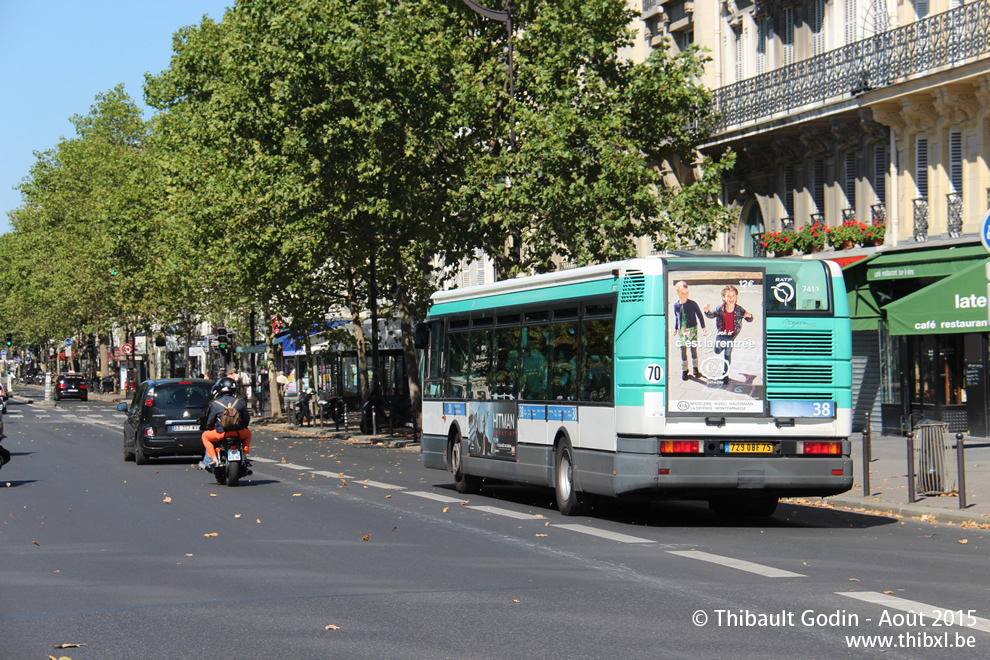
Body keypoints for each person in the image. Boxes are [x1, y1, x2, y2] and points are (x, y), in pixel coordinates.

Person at [198, 376, 252, 471]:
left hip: (221, 434)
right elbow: (246, 419)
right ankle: (245, 455)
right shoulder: (239, 402)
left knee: (205, 436)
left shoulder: (215, 403)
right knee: (248, 434)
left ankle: (214, 460)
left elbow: (210, 421)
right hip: (238, 433)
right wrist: (243, 427)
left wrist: (209, 427)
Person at [704, 284, 754, 382]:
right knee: (717, 351)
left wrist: (749, 316)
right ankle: (721, 347)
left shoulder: (739, 310)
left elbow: (749, 319)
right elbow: (711, 315)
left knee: (727, 355)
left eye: (733, 295)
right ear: (724, 297)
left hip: (731, 336)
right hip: (721, 334)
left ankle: (725, 375)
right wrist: (706, 311)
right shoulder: (720, 308)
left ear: (736, 297)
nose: (731, 298)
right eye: (728, 296)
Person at [671, 281, 706, 380]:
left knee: (693, 349)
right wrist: (675, 329)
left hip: (692, 330)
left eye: (687, 292)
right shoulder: (676, 306)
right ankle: (684, 370)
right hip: (682, 332)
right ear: (677, 293)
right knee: (683, 351)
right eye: (683, 293)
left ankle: (695, 369)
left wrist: (703, 327)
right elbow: (677, 318)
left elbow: (699, 315)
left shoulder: (692, 304)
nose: (685, 295)